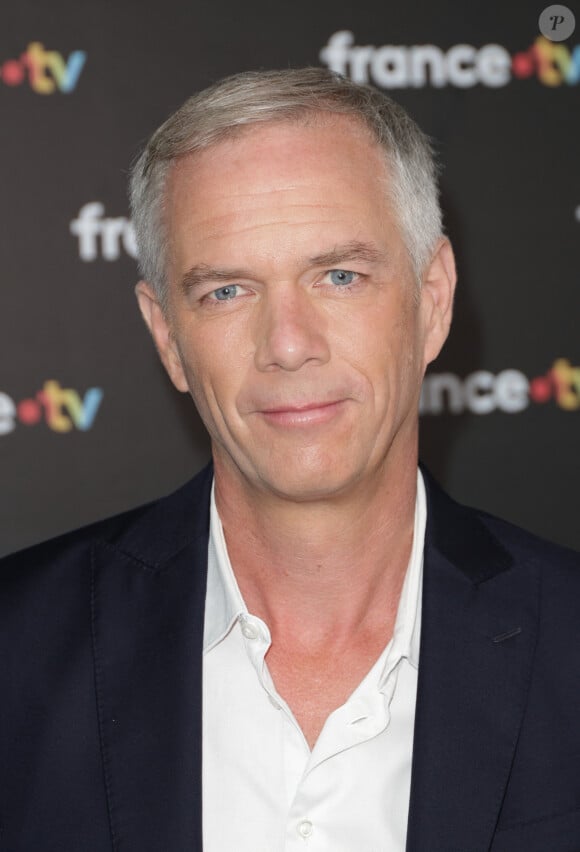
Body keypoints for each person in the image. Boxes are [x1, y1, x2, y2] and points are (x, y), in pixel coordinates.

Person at [1, 68, 579, 852]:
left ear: (433, 298)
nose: (289, 345)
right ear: (167, 336)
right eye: (227, 292)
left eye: (339, 276)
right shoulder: (18, 650)